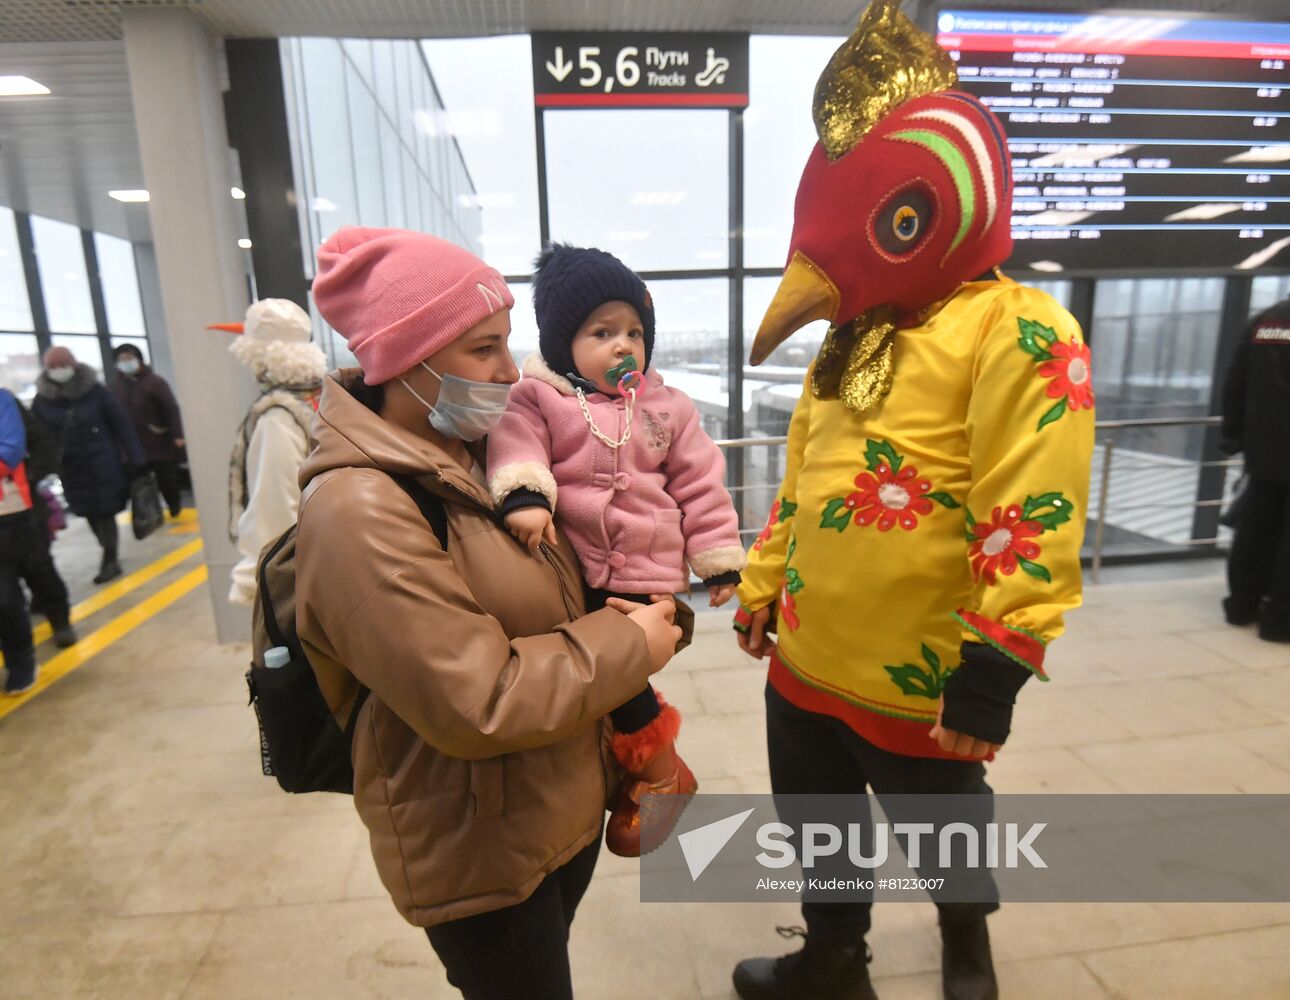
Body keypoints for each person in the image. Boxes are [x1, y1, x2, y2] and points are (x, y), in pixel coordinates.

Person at [729, 4, 1094, 999]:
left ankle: (965, 946)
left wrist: (997, 665)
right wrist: (764, 584)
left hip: (921, 675)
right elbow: (804, 477)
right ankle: (834, 955)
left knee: (946, 824)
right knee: (816, 817)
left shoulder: (1018, 330)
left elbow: (1035, 500)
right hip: (807, 655)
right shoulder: (848, 336)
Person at [297, 225, 684, 999]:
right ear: (408, 359)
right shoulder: (359, 508)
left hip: (548, 805)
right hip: (478, 847)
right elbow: (476, 699)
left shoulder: (474, 457)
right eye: (484, 349)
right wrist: (629, 644)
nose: (511, 371)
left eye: (507, 342)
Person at [487, 243, 744, 856]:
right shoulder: (539, 397)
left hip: (647, 566)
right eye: (602, 332)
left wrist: (718, 559)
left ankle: (658, 773)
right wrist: (526, 493)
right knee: (596, 673)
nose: (623, 345)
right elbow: (515, 442)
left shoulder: (667, 408)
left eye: (634, 331)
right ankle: (641, 773)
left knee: (621, 672)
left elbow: (701, 485)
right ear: (560, 344)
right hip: (572, 570)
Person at [209, 299, 326, 606]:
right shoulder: (323, 399)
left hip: (299, 580)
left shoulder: (278, 419)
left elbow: (274, 510)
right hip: (329, 556)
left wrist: (252, 578)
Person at [31, 347, 145, 585]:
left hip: (102, 461)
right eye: (53, 367)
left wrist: (136, 457)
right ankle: (106, 549)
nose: (59, 371)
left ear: (73, 365)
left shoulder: (95, 391)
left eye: (62, 365)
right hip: (70, 467)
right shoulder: (42, 400)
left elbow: (120, 424)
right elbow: (37, 434)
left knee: (105, 509)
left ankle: (109, 555)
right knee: (87, 510)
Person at [1221, 292, 1290, 642]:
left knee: (1254, 529)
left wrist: (1233, 436)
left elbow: (1235, 380)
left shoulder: (1265, 321)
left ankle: (1241, 606)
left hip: (1264, 451)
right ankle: (1279, 621)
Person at [10, 392, 76, 648]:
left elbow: (42, 443)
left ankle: (60, 621)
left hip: (22, 506)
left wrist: (28, 476)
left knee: (40, 569)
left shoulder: (6, 405)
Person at [109, 343, 187, 518]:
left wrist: (177, 434)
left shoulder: (155, 382)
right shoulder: (115, 387)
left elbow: (170, 409)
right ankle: (150, 514)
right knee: (140, 483)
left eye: (129, 358)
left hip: (157, 440)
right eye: (122, 359)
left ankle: (174, 506)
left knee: (166, 479)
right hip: (130, 445)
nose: (126, 362)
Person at [1, 389, 39, 694]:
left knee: (5, 597)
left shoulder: (2, 400)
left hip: (8, 515)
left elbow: (10, 451)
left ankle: (21, 660)